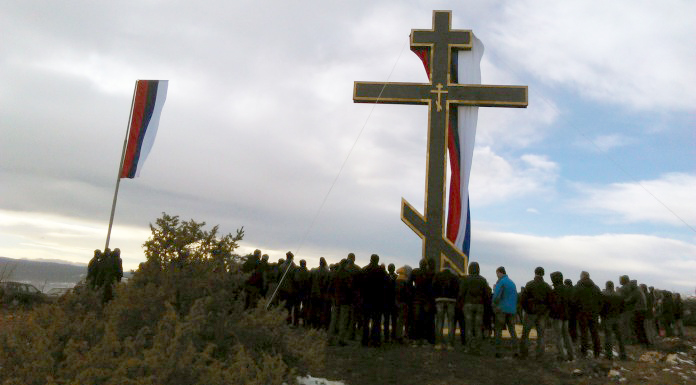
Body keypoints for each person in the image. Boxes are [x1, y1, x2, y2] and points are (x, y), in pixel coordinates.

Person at [519, 266, 552, 359]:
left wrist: (526, 309)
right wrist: (545, 312)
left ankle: (524, 354)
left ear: (535, 273)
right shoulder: (547, 286)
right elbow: (550, 301)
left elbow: (523, 299)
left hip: (530, 312)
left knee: (525, 334)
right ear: (543, 274)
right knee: (541, 335)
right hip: (542, 313)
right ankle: (540, 355)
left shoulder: (530, 284)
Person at [459, 261, 490, 354]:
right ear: (478, 269)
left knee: (468, 327)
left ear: (470, 269)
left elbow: (461, 293)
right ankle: (478, 349)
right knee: (478, 328)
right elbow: (487, 294)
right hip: (479, 305)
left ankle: (468, 348)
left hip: (468, 305)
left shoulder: (466, 279)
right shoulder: (483, 280)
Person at [360, 254, 387, 347]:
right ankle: (375, 340)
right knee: (376, 321)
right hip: (377, 300)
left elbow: (360, 286)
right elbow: (385, 287)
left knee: (366, 321)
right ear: (378, 260)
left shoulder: (364, 270)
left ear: (370, 259)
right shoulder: (381, 271)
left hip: (366, 299)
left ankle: (364, 340)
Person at [574, 271, 602, 358]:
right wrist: (597, 311)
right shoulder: (596, 288)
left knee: (584, 333)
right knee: (595, 333)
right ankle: (597, 352)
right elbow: (601, 301)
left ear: (582, 277)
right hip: (594, 314)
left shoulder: (577, 287)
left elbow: (574, 300)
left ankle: (584, 352)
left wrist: (577, 311)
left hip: (582, 313)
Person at [492, 266, 518, 358]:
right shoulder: (512, 283)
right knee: (512, 330)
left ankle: (498, 351)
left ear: (499, 272)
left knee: (498, 330)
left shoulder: (501, 282)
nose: (497, 276)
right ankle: (516, 350)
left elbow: (496, 296)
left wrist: (494, 290)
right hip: (512, 310)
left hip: (502, 309)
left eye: (497, 274)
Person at [432, 264, 459, 350]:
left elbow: (433, 287)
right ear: (450, 268)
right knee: (451, 322)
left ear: (442, 267)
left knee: (439, 322)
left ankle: (438, 344)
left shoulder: (437, 276)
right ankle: (450, 345)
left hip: (439, 300)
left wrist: (435, 297)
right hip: (451, 301)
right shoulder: (454, 277)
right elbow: (457, 289)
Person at [549, 271, 574, 361]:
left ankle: (562, 355)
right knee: (567, 335)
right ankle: (571, 355)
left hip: (557, 317)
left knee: (559, 337)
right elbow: (571, 302)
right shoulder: (568, 289)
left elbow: (552, 304)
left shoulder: (554, 291)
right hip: (566, 316)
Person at [601, 281, 627, 360]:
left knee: (608, 336)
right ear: (613, 286)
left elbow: (601, 307)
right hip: (617, 317)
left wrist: (602, 315)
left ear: (606, 286)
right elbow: (623, 307)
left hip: (607, 317)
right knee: (620, 337)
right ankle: (623, 354)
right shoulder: (619, 295)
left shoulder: (604, 295)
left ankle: (609, 355)